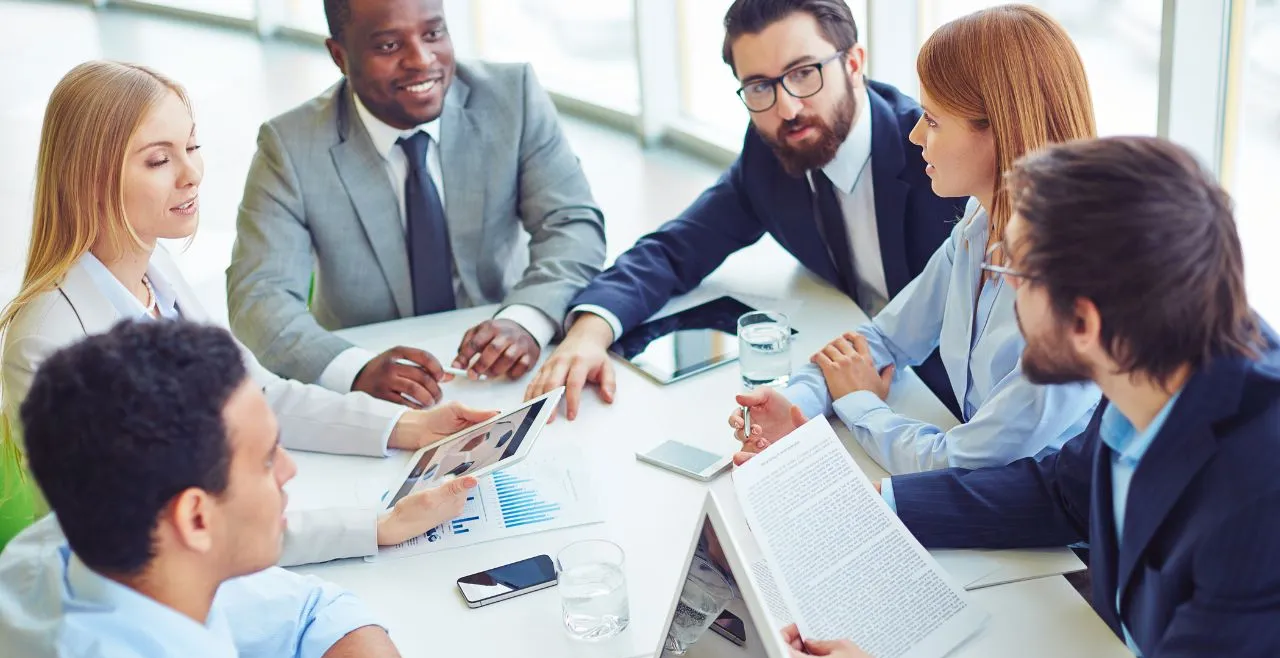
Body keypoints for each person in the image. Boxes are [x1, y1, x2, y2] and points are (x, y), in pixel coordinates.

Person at [778, 136, 1280, 658]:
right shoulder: (1158, 349)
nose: (1005, 285)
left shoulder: (1260, 505)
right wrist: (880, 504)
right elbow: (1064, 492)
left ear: (1085, 321)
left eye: (1016, 270)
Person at [0, 60, 491, 564]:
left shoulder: (154, 270)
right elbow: (150, 535)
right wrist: (375, 526)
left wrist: (406, 427)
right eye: (157, 161)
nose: (192, 175)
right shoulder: (47, 342)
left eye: (191, 147)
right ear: (90, 176)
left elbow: (255, 395)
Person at [524, 0, 968, 420]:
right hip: (839, 368)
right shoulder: (768, 154)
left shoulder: (939, 158)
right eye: (760, 86)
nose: (787, 108)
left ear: (853, 63)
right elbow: (675, 248)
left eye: (804, 73)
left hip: (946, 401)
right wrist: (590, 329)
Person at [729, 5, 1100, 474]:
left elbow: (961, 459)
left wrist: (861, 405)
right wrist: (798, 402)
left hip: (1058, 540)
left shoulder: (1072, 293)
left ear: (999, 129)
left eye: (934, 120)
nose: (916, 133)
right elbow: (887, 337)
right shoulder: (978, 225)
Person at [0, 320, 427, 658]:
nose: (288, 470)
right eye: (265, 460)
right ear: (196, 519)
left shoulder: (105, 544)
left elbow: (315, 615)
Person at [226, 0, 606, 408]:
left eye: (433, 34)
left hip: (501, 369)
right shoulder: (290, 146)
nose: (422, 60)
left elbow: (572, 224)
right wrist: (354, 369)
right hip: (375, 382)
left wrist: (527, 319)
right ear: (340, 56)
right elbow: (258, 296)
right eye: (389, 46)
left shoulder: (512, 97)